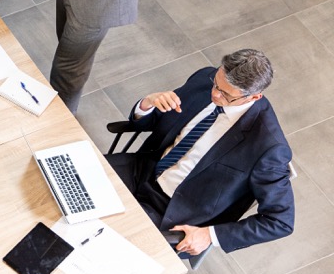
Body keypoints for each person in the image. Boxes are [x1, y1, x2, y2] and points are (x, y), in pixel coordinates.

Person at [107, 49, 294, 255]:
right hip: (141, 169)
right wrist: (148, 104)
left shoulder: (268, 147)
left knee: (106, 246)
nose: (214, 93)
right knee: (69, 181)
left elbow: (280, 221)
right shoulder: (204, 79)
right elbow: (157, 120)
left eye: (225, 94)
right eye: (216, 83)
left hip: (171, 210)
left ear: (255, 96)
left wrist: (209, 235)